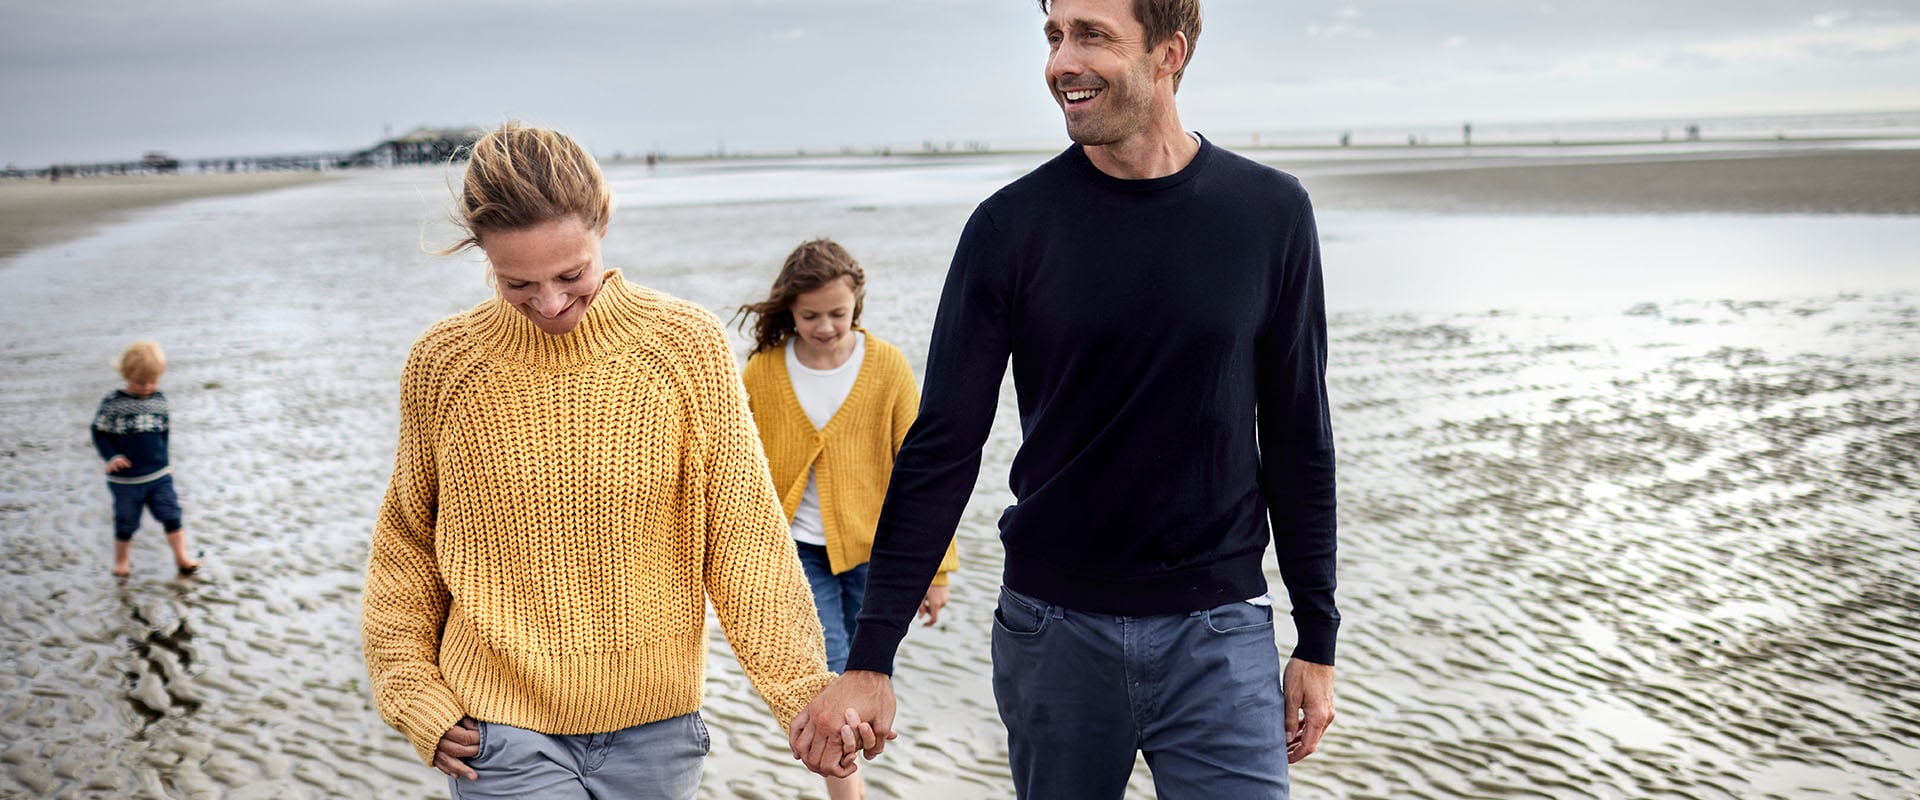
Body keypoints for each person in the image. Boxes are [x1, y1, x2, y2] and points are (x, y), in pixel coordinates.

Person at [790, 0, 1339, 796]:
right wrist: (872, 657)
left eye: (1092, 36)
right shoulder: (1010, 227)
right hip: (1052, 633)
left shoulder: (1269, 213)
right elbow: (944, 443)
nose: (1061, 62)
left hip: (1219, 632)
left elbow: (1298, 436)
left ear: (1167, 53)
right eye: (1054, 36)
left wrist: (1316, 639)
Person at [360, 121, 837, 800]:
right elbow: (406, 544)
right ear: (481, 255)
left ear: (603, 220)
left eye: (570, 274)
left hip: (656, 733)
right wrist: (410, 691)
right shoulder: (446, 364)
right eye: (516, 283)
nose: (550, 303)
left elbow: (744, 535)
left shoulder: (683, 346)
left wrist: (799, 692)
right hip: (499, 731)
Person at [737, 239, 959, 800]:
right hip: (795, 551)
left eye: (837, 314)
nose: (825, 326)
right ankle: (850, 796)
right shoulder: (762, 371)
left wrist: (936, 571)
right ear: (789, 309)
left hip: (874, 555)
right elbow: (733, 465)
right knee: (829, 676)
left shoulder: (885, 366)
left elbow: (924, 475)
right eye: (810, 315)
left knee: (861, 681)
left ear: (855, 305)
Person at [91, 339, 203, 578]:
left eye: (153, 381)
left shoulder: (159, 401)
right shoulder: (114, 403)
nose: (146, 387)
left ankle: (182, 558)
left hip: (159, 475)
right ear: (125, 374)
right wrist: (111, 456)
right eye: (140, 382)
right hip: (126, 480)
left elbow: (164, 434)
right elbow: (98, 431)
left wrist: (166, 461)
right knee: (126, 522)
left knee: (172, 514)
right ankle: (121, 561)